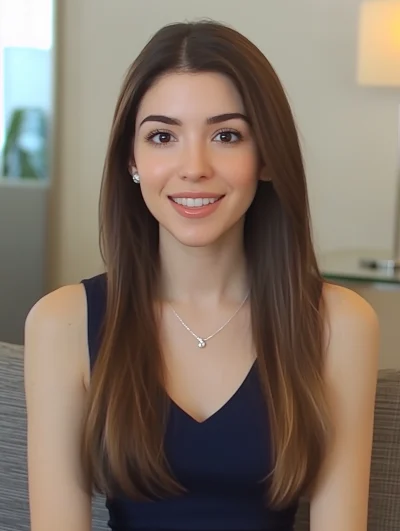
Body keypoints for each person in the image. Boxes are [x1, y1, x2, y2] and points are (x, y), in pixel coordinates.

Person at [24, 20, 379, 531]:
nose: (194, 167)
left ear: (266, 158)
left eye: (226, 135)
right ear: (132, 159)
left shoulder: (340, 324)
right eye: (163, 136)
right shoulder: (61, 323)